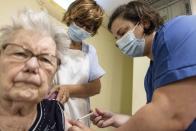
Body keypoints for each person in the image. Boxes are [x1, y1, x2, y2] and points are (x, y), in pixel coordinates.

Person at [67, 1, 196, 131]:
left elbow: (170, 116)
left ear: (145, 22)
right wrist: (118, 118)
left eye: (123, 33)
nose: (120, 43)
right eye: (117, 39)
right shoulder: (151, 76)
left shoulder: (177, 31)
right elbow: (152, 123)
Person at [0, 9, 70, 131]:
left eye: (45, 60)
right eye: (20, 53)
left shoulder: (56, 115)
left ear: (54, 73)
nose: (32, 65)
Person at [48, 0, 105, 128]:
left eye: (88, 27)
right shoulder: (53, 38)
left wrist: (67, 89)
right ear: (71, 17)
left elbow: (96, 87)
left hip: (79, 114)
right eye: (80, 23)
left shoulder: (90, 51)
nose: (83, 29)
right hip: (52, 106)